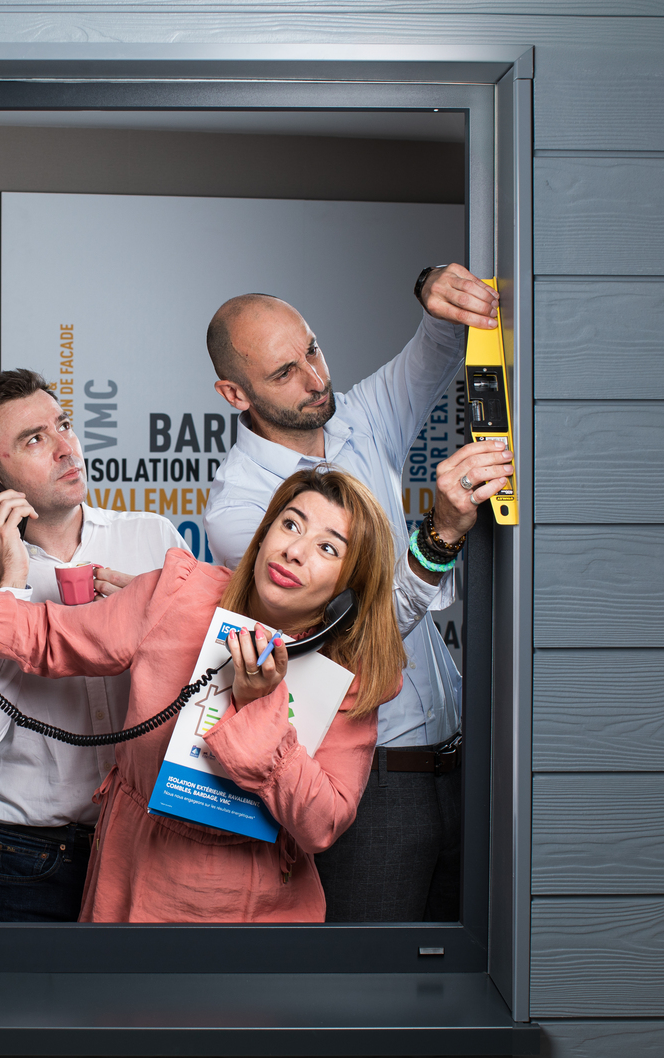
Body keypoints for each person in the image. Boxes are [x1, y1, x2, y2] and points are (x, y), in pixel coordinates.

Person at [0, 466, 476, 922]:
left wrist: (260, 708)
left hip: (257, 911)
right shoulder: (179, 592)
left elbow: (322, 824)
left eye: (328, 547)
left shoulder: (351, 673)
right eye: (291, 524)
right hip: (136, 879)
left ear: (348, 584)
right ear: (265, 531)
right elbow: (46, 636)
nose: (295, 549)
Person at [201, 267, 515, 922]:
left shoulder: (356, 418)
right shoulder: (241, 510)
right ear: (234, 392)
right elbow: (357, 630)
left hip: (460, 765)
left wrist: (432, 290)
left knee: (471, 984)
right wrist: (440, 535)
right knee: (371, 995)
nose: (315, 380)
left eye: (312, 350)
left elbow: (433, 349)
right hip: (370, 792)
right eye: (283, 372)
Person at [0, 368, 186, 921]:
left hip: (153, 838)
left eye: (63, 425)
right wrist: (12, 585)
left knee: (147, 1010)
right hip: (34, 854)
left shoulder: (152, 538)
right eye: (35, 439)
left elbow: (213, 680)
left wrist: (158, 617)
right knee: (30, 1010)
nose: (65, 448)